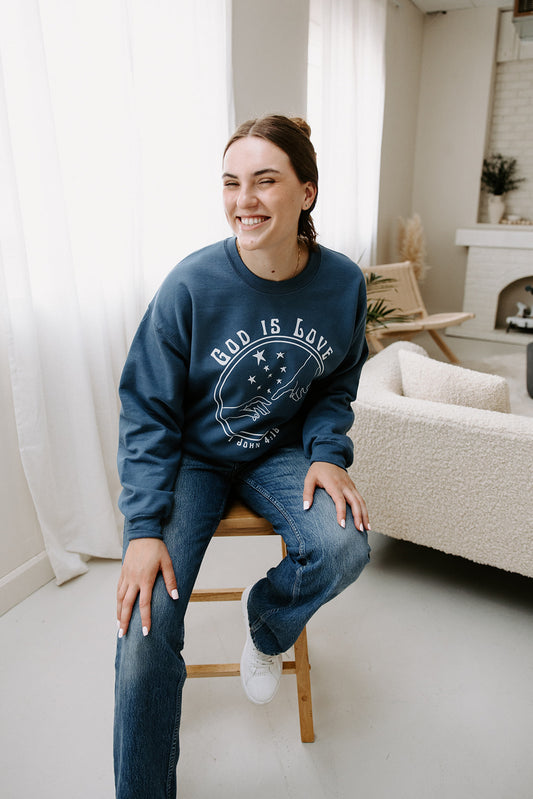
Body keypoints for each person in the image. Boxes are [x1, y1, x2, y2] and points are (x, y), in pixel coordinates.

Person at [114, 114, 371, 798]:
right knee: (145, 628)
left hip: (278, 453)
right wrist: (142, 528)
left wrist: (327, 453)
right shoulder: (191, 283)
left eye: (265, 181)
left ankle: (265, 626)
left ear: (306, 193)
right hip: (190, 459)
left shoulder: (342, 283)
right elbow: (146, 409)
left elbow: (336, 381)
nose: (244, 200)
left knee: (344, 546)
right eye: (231, 183)